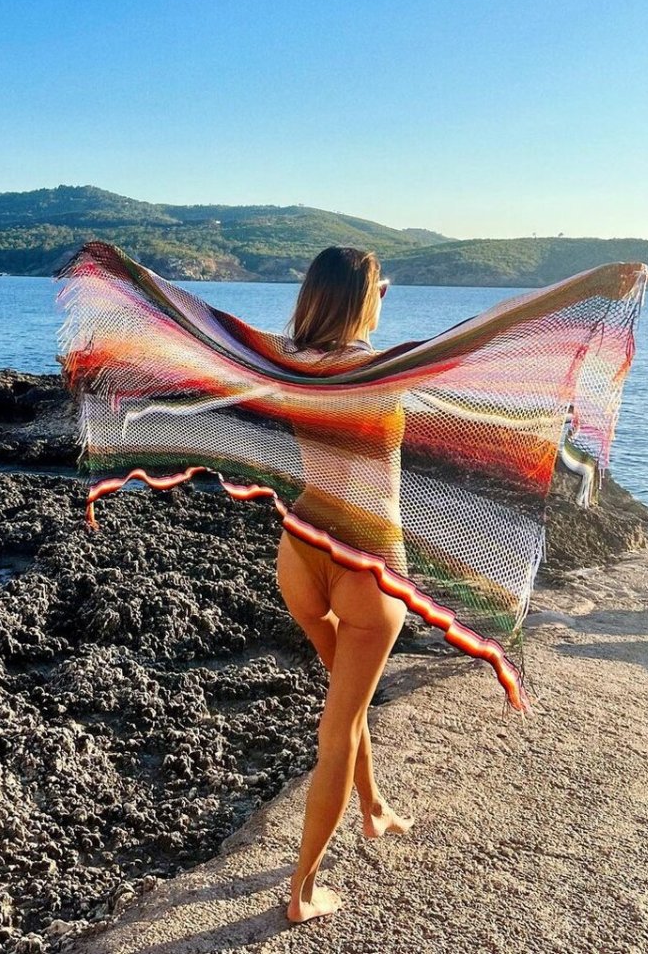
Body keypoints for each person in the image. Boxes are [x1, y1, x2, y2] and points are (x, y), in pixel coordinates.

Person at [276, 246, 414, 923]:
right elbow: (488, 340)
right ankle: (302, 892)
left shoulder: (287, 362)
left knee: (346, 706)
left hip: (301, 549)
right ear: (370, 296)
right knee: (340, 726)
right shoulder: (387, 371)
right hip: (370, 566)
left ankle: (373, 804)